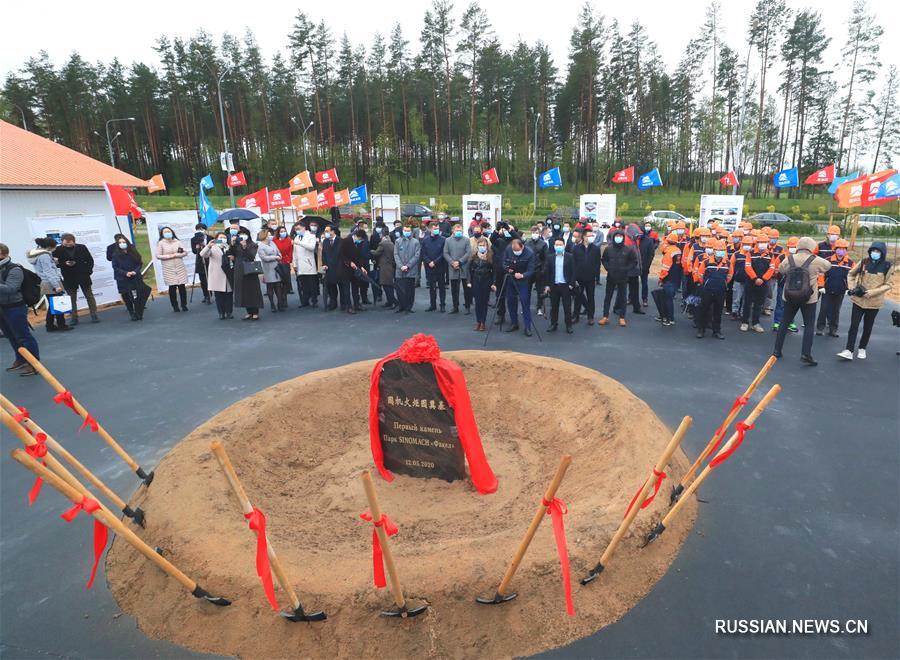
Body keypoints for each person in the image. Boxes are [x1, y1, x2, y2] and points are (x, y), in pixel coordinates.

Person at [772, 237, 832, 366]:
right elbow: (828, 266)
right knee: (809, 325)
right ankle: (806, 354)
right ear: (811, 247)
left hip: (790, 295)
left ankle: (777, 350)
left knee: (784, 322)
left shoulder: (789, 258)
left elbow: (781, 270)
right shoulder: (816, 260)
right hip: (808, 298)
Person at [838, 241, 895, 361]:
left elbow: (888, 284)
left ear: (882, 253)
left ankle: (862, 348)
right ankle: (849, 350)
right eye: (873, 250)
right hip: (858, 300)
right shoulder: (864, 262)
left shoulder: (887, 266)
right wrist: (852, 288)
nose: (875, 253)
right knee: (854, 325)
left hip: (874, 302)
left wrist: (873, 292)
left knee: (868, 327)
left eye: (878, 251)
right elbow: (851, 274)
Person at [0, 243, 40, 375]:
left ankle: (35, 364)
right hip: (2, 308)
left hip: (15, 307)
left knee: (23, 336)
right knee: (11, 336)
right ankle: (21, 359)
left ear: (4, 254)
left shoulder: (14, 269)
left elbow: (11, 288)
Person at [53, 233, 99, 324]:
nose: (67, 246)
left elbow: (90, 260)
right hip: (68, 277)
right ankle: (74, 318)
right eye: (65, 244)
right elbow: (55, 264)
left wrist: (88, 271)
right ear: (62, 242)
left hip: (83, 276)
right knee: (71, 298)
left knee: (89, 296)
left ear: (74, 242)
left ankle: (94, 315)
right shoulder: (58, 250)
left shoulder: (82, 247)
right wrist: (64, 264)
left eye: (70, 244)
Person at [27, 237, 70, 332]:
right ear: (50, 247)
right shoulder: (44, 256)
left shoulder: (38, 254)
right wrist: (56, 286)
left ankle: (50, 325)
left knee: (53, 305)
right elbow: (48, 272)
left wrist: (53, 261)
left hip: (46, 282)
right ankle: (61, 325)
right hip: (51, 283)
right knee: (58, 304)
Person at [693, 239, 732, 339]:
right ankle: (701, 330)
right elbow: (700, 275)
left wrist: (723, 284)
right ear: (714, 251)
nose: (720, 252)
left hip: (721, 291)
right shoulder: (706, 262)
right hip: (707, 290)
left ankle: (717, 331)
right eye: (718, 250)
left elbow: (729, 276)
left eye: (722, 250)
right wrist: (706, 284)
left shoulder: (728, 263)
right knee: (704, 310)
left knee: (718, 312)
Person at [599, 228, 637, 326]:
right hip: (611, 276)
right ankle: (605, 316)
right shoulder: (608, 249)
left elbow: (634, 261)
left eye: (620, 236)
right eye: (616, 236)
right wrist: (608, 268)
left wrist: (626, 269)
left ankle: (622, 318)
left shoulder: (628, 249)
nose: (618, 238)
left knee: (622, 298)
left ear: (623, 238)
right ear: (613, 237)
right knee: (608, 297)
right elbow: (604, 260)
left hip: (623, 277)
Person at [816, 238, 853, 337]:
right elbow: (821, 273)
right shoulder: (828, 260)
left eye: (843, 249)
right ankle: (820, 328)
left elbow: (852, 277)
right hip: (827, 289)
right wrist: (821, 286)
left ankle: (833, 330)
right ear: (835, 249)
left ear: (846, 250)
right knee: (824, 309)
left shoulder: (850, 263)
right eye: (839, 248)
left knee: (836, 311)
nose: (841, 251)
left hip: (840, 290)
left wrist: (849, 288)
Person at [741, 233, 775, 332]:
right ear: (757, 243)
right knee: (747, 303)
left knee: (759, 304)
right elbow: (747, 267)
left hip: (763, 283)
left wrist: (763, 279)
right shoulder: (750, 253)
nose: (762, 244)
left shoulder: (770, 255)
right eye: (760, 242)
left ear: (767, 243)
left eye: (764, 242)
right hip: (751, 282)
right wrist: (755, 278)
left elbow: (772, 268)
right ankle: (745, 322)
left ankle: (755, 323)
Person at [501, 237, 535, 336]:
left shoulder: (530, 253)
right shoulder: (508, 249)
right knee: (511, 301)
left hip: (523, 279)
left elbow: (531, 270)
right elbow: (503, 263)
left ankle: (527, 327)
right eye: (514, 251)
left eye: (517, 250)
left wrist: (523, 275)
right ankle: (514, 323)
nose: (515, 253)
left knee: (525, 302)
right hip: (511, 278)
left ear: (522, 247)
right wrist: (507, 269)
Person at [228, 229, 264, 321]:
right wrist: (232, 244)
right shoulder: (236, 245)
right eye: (240, 234)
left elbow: (251, 256)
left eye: (244, 234)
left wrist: (245, 247)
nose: (242, 236)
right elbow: (231, 254)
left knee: (252, 290)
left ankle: (255, 312)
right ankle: (248, 312)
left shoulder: (253, 245)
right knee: (242, 290)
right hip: (239, 269)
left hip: (250, 268)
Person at [109, 237, 148, 321]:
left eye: (124, 242)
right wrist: (125, 273)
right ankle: (131, 312)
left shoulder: (133, 252)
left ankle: (138, 311)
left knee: (136, 295)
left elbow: (139, 263)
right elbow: (115, 267)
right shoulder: (115, 255)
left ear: (127, 242)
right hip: (122, 278)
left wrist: (135, 271)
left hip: (134, 276)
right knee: (126, 295)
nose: (122, 244)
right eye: (120, 243)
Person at [544, 238, 575, 333]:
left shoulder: (570, 257)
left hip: (566, 285)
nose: (558, 246)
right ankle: (553, 324)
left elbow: (574, 271)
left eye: (560, 245)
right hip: (554, 286)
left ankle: (569, 325)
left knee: (567, 307)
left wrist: (571, 284)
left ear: (564, 245)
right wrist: (547, 285)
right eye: (556, 245)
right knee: (554, 307)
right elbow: (547, 272)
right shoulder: (550, 257)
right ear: (554, 246)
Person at [200, 232, 233, 319]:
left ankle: (229, 312)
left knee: (229, 294)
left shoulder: (228, 247)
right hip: (217, 273)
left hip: (228, 273)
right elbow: (203, 254)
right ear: (216, 239)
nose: (223, 239)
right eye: (220, 237)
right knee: (219, 295)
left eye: (224, 237)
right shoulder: (213, 247)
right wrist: (208, 246)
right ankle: (221, 313)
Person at [571, 228, 602, 325]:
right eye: (589, 236)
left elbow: (597, 263)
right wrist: (574, 278)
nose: (591, 237)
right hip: (579, 278)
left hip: (590, 278)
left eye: (592, 235)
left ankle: (590, 317)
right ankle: (576, 316)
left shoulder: (596, 249)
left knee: (591, 297)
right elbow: (573, 264)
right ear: (584, 237)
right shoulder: (576, 248)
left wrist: (596, 276)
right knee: (578, 298)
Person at [772, 236, 799, 334]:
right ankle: (777, 322)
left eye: (795, 247)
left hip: (795, 286)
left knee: (793, 304)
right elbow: (775, 270)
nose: (793, 248)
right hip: (783, 284)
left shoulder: (800, 258)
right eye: (791, 247)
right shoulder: (781, 257)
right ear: (787, 247)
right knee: (780, 304)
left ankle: (790, 323)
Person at [443, 223, 472, 314]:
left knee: (466, 289)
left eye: (460, 230)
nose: (459, 232)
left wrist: (459, 261)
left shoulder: (466, 240)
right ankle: (455, 307)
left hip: (464, 266)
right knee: (454, 289)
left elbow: (468, 252)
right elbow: (445, 253)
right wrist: (452, 262)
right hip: (453, 267)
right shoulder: (448, 240)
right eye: (457, 230)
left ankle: (467, 306)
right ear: (453, 231)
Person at [394, 224, 421, 313]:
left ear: (411, 231)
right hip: (400, 270)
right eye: (405, 230)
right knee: (400, 290)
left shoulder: (416, 242)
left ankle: (409, 307)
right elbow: (396, 254)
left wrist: (408, 266)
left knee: (410, 290)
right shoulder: (398, 241)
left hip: (411, 270)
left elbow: (417, 255)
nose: (407, 232)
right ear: (402, 231)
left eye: (408, 231)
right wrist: (401, 266)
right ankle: (401, 306)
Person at [468, 237, 494, 331]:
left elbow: (494, 271)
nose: (482, 247)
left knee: (484, 302)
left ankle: (483, 322)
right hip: (476, 281)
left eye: (483, 245)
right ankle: (478, 321)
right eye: (480, 245)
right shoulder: (474, 256)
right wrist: (469, 281)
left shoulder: (491, 256)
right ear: (477, 246)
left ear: (487, 246)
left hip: (486, 281)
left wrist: (493, 283)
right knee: (478, 302)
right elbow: (469, 270)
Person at [657, 235, 683, 327]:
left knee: (667, 299)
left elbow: (665, 268)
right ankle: (665, 317)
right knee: (669, 298)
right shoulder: (678, 250)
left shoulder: (669, 252)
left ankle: (669, 319)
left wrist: (661, 278)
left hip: (669, 279)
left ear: (667, 241)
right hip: (676, 278)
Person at [292, 222, 319, 308]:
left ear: (304, 228)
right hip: (300, 265)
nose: (297, 231)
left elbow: (311, 247)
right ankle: (305, 301)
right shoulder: (297, 237)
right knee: (303, 285)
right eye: (296, 229)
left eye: (298, 229)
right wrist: (294, 263)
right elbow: (294, 252)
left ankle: (314, 300)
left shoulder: (311, 236)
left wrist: (299, 243)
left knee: (312, 284)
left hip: (309, 264)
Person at [421, 222, 447, 312]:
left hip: (440, 266)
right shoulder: (425, 240)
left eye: (437, 228)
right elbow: (423, 253)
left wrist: (435, 262)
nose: (437, 230)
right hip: (429, 267)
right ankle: (433, 305)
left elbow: (444, 253)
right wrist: (429, 262)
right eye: (435, 228)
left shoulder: (443, 240)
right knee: (432, 287)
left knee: (442, 287)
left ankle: (442, 305)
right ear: (430, 229)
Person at [320, 225, 346, 311]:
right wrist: (324, 264)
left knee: (342, 287)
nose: (325, 233)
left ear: (333, 231)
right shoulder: (326, 241)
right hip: (329, 268)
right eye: (325, 231)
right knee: (331, 287)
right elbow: (324, 254)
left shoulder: (341, 241)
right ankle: (333, 303)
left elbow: (344, 255)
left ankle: (344, 304)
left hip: (339, 268)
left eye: (327, 231)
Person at [257, 229, 284, 313]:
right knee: (270, 287)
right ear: (264, 236)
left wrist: (279, 255)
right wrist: (275, 257)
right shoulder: (260, 246)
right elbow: (264, 258)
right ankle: (272, 304)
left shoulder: (272, 243)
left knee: (278, 286)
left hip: (276, 267)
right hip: (268, 268)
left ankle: (280, 304)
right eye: (268, 235)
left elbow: (278, 251)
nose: (270, 236)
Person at [524, 224, 548, 317]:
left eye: (536, 232)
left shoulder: (543, 244)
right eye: (533, 232)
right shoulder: (527, 243)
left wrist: (543, 270)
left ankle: (539, 308)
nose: (535, 234)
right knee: (527, 291)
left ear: (539, 233)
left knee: (540, 291)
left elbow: (546, 259)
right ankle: (526, 307)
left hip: (539, 270)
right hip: (529, 270)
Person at [371, 231, 397, 309]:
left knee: (386, 286)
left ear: (382, 236)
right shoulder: (391, 243)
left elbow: (376, 253)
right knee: (389, 285)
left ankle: (393, 302)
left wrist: (371, 251)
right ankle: (390, 301)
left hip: (384, 267)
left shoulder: (382, 244)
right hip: (390, 266)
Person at [638, 221, 659, 306]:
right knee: (633, 283)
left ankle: (645, 299)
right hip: (634, 266)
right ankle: (631, 298)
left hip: (645, 265)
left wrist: (647, 265)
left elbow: (651, 254)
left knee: (644, 283)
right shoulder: (635, 240)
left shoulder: (649, 241)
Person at [190, 223, 212, 304]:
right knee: (203, 280)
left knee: (210, 278)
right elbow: (194, 251)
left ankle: (211, 293)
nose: (200, 230)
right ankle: (206, 295)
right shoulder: (194, 239)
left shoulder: (210, 238)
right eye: (198, 229)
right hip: (200, 261)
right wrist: (197, 248)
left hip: (210, 260)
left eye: (202, 229)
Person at [273, 224, 294, 302]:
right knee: (278, 282)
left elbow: (290, 252)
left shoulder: (289, 240)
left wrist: (289, 260)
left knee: (286, 281)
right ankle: (280, 298)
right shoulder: (274, 241)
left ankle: (284, 296)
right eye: (281, 231)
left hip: (285, 262)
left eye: (284, 231)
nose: (283, 233)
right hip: (276, 262)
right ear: (278, 232)